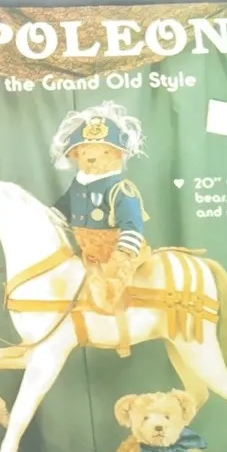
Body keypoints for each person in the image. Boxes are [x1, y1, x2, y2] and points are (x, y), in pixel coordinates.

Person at [48, 102, 151, 316]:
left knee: (108, 294)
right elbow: (62, 209)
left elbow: (132, 227)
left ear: (117, 154)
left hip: (114, 254)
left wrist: (121, 257)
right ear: (76, 154)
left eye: (103, 151)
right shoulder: (78, 184)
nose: (91, 157)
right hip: (85, 252)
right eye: (85, 151)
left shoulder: (120, 189)